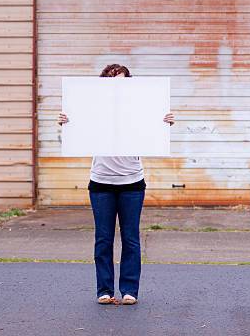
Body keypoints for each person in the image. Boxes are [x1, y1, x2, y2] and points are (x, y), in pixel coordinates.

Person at [57, 64, 174, 305]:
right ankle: (105, 291)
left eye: (120, 79)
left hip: (132, 183)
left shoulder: (140, 109)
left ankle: (130, 290)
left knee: (131, 238)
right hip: (101, 183)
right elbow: (74, 138)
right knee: (103, 239)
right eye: (110, 79)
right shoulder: (91, 110)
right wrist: (67, 125)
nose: (116, 84)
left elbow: (153, 131)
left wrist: (163, 123)